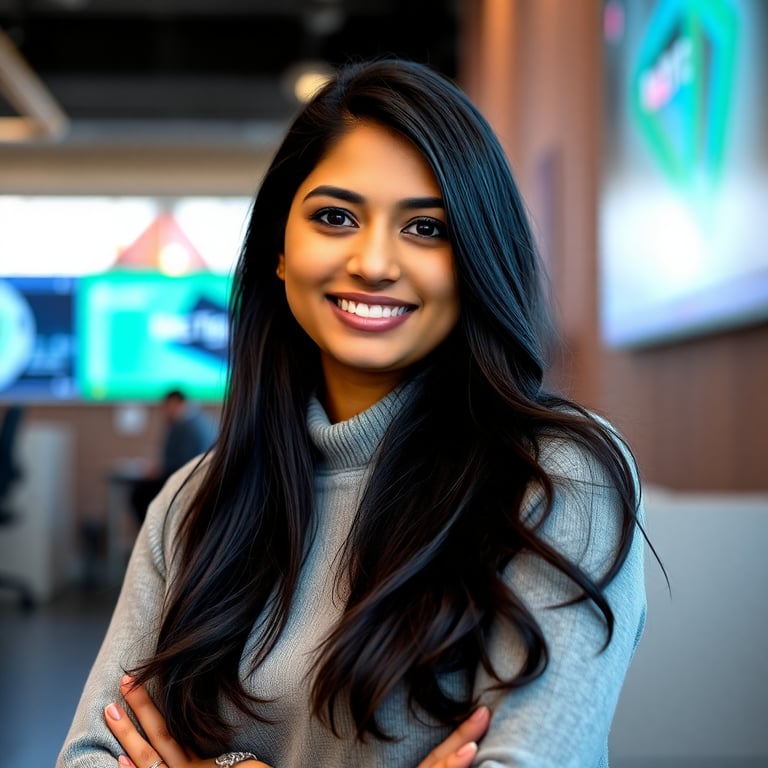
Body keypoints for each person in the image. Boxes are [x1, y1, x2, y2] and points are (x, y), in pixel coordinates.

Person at [58, 58, 650, 768]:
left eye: (426, 228)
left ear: (477, 257)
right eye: (335, 217)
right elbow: (90, 756)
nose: (373, 262)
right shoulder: (194, 503)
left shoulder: (554, 480)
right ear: (280, 250)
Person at [129, 389, 218, 526]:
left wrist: (160, 469)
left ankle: (154, 536)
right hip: (194, 481)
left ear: (176, 403)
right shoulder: (196, 420)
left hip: (188, 483)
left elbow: (187, 463)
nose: (164, 412)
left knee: (139, 494)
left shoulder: (189, 426)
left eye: (166, 407)